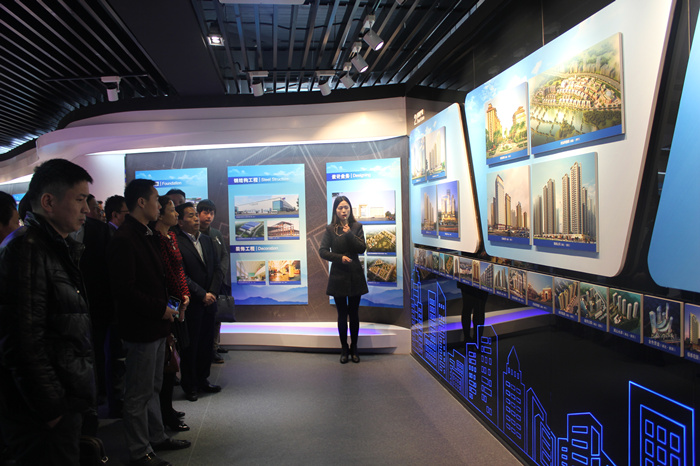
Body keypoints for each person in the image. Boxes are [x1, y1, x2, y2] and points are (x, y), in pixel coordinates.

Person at [0, 159, 96, 465]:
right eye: (79, 199)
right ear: (48, 202)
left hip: (62, 398)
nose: (87, 209)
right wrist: (52, 409)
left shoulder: (51, 246)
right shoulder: (26, 249)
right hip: (44, 414)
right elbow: (22, 341)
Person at [108, 179, 190, 466]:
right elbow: (125, 290)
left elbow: (159, 280)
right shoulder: (125, 238)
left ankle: (156, 437)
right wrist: (161, 309)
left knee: (153, 387)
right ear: (141, 202)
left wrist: (169, 308)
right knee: (138, 393)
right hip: (141, 328)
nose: (161, 205)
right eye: (156, 200)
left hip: (156, 325)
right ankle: (139, 450)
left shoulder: (147, 234)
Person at [175, 202, 223, 401]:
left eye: (196, 215)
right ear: (180, 222)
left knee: (205, 344)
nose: (196, 218)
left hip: (209, 302)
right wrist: (202, 294)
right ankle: (190, 385)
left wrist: (212, 292)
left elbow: (217, 268)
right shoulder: (177, 243)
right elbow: (181, 275)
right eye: (190, 216)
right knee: (191, 347)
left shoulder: (207, 240)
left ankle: (203, 379)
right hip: (192, 303)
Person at [151, 196, 191, 431]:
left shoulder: (172, 237)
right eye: (171, 210)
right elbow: (167, 273)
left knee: (174, 354)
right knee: (166, 360)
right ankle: (165, 412)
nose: (176, 214)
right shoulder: (156, 240)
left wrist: (184, 296)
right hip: (167, 304)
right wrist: (179, 301)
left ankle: (168, 408)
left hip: (176, 302)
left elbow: (179, 271)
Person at [319, 195, 368, 364]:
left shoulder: (356, 226)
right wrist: (339, 258)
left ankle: (354, 347)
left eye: (346, 207)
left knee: (354, 313)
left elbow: (361, 248)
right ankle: (344, 348)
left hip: (355, 274)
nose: (343, 210)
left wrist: (349, 234)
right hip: (338, 274)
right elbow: (323, 251)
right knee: (341, 314)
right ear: (335, 210)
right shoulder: (330, 229)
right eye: (340, 208)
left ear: (350, 209)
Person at [197, 199, 230, 364]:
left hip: (217, 282)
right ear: (198, 214)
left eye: (211, 213)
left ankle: (214, 347)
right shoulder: (192, 234)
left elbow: (224, 255)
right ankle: (205, 349)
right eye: (205, 212)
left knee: (217, 317)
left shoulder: (216, 234)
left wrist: (221, 274)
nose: (209, 216)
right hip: (200, 285)